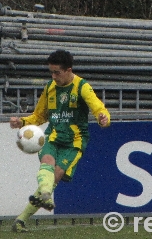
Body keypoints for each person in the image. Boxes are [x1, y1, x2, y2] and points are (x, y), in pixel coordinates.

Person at [9, 49, 110, 233]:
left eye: (57, 72)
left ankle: (21, 219)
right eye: (51, 72)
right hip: (53, 136)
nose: (53, 76)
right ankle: (44, 196)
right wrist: (22, 122)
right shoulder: (49, 88)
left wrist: (104, 117)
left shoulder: (82, 87)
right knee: (47, 163)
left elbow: (97, 107)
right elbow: (40, 115)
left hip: (74, 142)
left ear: (68, 70)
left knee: (56, 174)